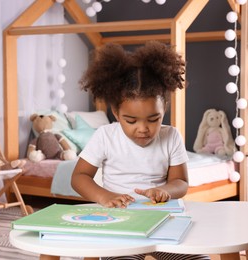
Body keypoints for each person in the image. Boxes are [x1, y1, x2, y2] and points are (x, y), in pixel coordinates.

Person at [71, 41, 210, 260]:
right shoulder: (105, 136)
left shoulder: (171, 136)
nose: (143, 128)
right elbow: (79, 177)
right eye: (131, 120)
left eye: (153, 119)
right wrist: (105, 197)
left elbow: (181, 182)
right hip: (118, 222)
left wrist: (166, 191)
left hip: (163, 220)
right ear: (116, 113)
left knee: (198, 258)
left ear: (164, 109)